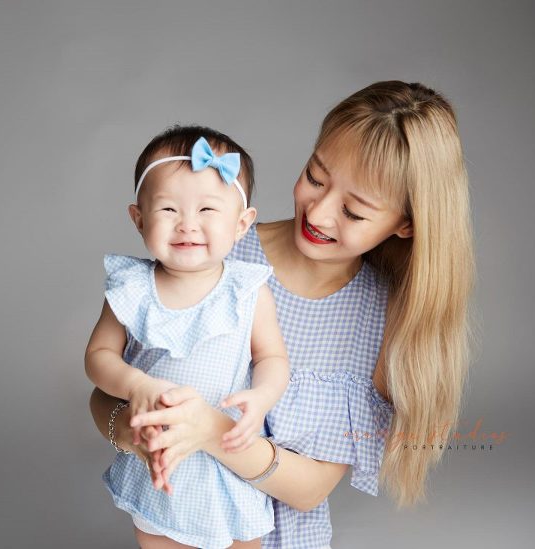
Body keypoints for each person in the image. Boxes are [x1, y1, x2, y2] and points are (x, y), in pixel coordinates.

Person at [90, 81, 475, 548]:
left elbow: (309, 490)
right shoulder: (213, 253)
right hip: (176, 515)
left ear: (406, 223)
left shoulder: (380, 321)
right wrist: (139, 432)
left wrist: (212, 431)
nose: (320, 212)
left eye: (354, 212)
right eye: (315, 177)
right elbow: (103, 396)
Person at [85, 126, 291, 548]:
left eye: (207, 211)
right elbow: (98, 356)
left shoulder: (248, 289)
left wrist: (263, 396)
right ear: (139, 219)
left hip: (225, 448)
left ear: (241, 224)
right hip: (159, 456)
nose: (187, 225)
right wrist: (135, 384)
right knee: (159, 536)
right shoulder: (133, 288)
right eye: (168, 210)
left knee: (242, 540)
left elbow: (272, 357)